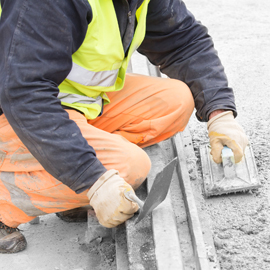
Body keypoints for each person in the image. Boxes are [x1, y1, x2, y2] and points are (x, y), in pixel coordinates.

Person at [0, 0, 248, 254]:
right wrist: (91, 177)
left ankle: (63, 187)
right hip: (17, 111)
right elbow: (24, 93)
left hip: (71, 102)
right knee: (128, 167)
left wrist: (220, 113)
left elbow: (183, 41)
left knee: (175, 102)